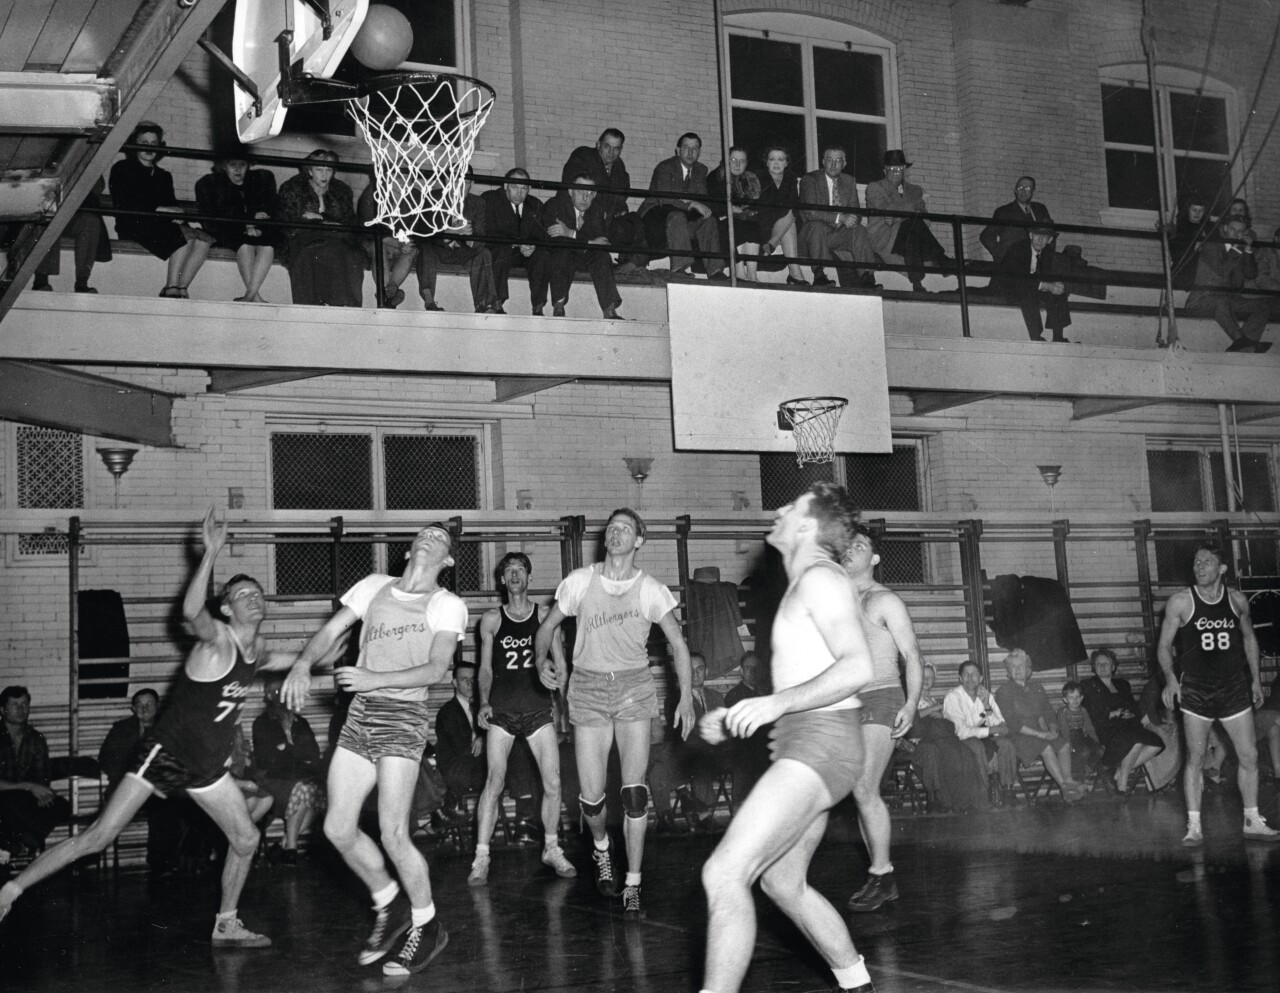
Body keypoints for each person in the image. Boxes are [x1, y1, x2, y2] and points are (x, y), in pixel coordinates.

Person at [0, 510, 287, 945]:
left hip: (207, 768)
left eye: (257, 593)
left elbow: (295, 660)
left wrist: (323, 653)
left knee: (245, 837)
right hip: (168, 754)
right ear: (227, 608)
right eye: (242, 594)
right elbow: (191, 611)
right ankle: (11, 889)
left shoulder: (257, 650)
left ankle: (226, 923)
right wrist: (210, 554)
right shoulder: (217, 639)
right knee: (99, 837)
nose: (253, 598)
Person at [698, 482, 877, 993]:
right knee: (782, 882)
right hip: (811, 743)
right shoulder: (807, 583)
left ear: (809, 526)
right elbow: (808, 675)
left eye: (792, 506)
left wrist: (776, 704)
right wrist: (744, 715)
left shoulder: (820, 579)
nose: (779, 510)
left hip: (821, 747)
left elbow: (858, 666)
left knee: (723, 874)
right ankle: (858, 984)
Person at [282, 523, 467, 976]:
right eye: (423, 533)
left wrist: (373, 679)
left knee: (394, 834)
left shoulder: (446, 604)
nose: (429, 537)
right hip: (360, 715)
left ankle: (427, 925)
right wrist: (303, 664)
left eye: (440, 538)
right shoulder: (373, 587)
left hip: (402, 716)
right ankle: (389, 900)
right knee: (337, 827)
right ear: (408, 549)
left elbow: (437, 669)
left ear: (447, 560)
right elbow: (330, 632)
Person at [533, 508, 694, 920]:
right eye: (611, 528)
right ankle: (602, 848)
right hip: (587, 688)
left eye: (625, 529)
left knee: (634, 793)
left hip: (633, 688)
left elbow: (678, 645)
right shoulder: (579, 581)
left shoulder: (651, 589)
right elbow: (546, 629)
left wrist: (686, 696)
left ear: (639, 540)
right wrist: (540, 661)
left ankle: (633, 883)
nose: (616, 533)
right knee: (591, 802)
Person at [1157, 543, 1280, 844]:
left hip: (1233, 687)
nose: (1199, 567)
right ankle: (1194, 825)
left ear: (1222, 568)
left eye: (1207, 562)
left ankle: (1252, 819)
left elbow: (1250, 639)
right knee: (1196, 757)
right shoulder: (1180, 601)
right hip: (1196, 689)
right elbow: (1163, 646)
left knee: (1249, 754)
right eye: (1196, 562)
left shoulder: (1237, 600)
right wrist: (1170, 679)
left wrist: (1255, 679)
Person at [469, 552, 575, 884]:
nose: (515, 575)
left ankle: (551, 848)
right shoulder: (491, 619)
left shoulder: (544, 616)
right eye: (509, 570)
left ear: (529, 578)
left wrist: (565, 710)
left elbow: (561, 666)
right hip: (501, 711)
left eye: (520, 570)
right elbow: (485, 669)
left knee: (553, 782)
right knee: (494, 782)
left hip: (537, 710)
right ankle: (481, 857)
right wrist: (484, 702)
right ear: (502, 580)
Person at [842, 525, 923, 912]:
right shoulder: (837, 600)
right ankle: (880, 876)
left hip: (883, 696)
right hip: (847, 701)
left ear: (874, 558)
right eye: (847, 545)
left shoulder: (885, 600)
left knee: (863, 787)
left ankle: (882, 874)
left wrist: (911, 704)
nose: (850, 550)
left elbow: (913, 655)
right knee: (860, 793)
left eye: (859, 545)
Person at [109, 121, 212, 298]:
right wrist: (161, 209)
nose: (149, 147)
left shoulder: (164, 175)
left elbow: (171, 204)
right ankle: (171, 286)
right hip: (134, 223)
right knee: (185, 235)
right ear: (134, 145)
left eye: (154, 143)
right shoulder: (122, 168)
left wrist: (179, 217)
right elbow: (125, 203)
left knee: (204, 239)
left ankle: (182, 287)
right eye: (144, 143)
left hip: (160, 224)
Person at [648, 652, 725, 833]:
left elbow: (724, 730)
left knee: (662, 753)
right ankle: (666, 816)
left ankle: (698, 809)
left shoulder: (717, 697)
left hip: (712, 754)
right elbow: (681, 732)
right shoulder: (674, 700)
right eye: (690, 670)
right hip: (688, 755)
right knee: (657, 769)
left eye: (700, 669)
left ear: (706, 672)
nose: (695, 674)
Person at [277, 149, 364, 307]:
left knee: (351, 255)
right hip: (302, 239)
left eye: (328, 170)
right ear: (310, 171)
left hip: (336, 239)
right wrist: (325, 225)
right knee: (317, 252)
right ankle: (315, 306)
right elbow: (289, 224)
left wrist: (321, 219)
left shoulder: (342, 191)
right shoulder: (292, 188)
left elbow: (349, 223)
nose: (324, 175)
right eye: (319, 170)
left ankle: (347, 306)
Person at [194, 144, 281, 302]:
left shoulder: (260, 180)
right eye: (232, 165)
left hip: (257, 231)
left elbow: (271, 211)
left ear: (248, 165)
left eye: (242, 165)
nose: (238, 169)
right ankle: (256, 298)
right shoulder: (210, 183)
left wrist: (257, 226)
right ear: (223, 166)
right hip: (227, 231)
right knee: (245, 244)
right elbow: (211, 221)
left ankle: (250, 296)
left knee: (268, 245)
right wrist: (247, 223)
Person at [252, 680, 324, 865]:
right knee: (304, 789)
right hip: (271, 781)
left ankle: (286, 845)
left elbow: (314, 755)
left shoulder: (301, 722)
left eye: (284, 692)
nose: (281, 698)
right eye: (276, 692)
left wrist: (288, 742)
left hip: (299, 778)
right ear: (268, 695)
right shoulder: (262, 723)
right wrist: (294, 751)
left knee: (321, 792)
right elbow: (267, 760)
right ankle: (291, 848)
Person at [994, 649, 1081, 801]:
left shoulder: (1037, 688)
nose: (1017, 669)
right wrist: (1040, 734)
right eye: (1013, 667)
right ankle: (1064, 787)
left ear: (1028, 669)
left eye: (1021, 666)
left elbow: (1048, 712)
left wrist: (1053, 729)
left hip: (1040, 732)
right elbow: (1013, 723)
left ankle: (1068, 780)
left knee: (1064, 745)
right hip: (1018, 735)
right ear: (1008, 671)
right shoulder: (1003, 691)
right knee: (1046, 747)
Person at [639, 132, 726, 281]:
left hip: (682, 220)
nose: (690, 152)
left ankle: (715, 270)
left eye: (695, 149)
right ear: (678, 150)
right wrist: (692, 203)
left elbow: (702, 200)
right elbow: (665, 199)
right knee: (677, 215)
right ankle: (679, 268)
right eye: (686, 148)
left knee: (708, 220)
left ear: (699, 152)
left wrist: (695, 204)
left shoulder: (701, 170)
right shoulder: (665, 167)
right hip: (656, 218)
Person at [562, 128, 650, 274]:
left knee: (634, 220)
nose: (611, 152)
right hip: (584, 215)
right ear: (598, 145)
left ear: (621, 149)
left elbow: (623, 191)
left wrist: (620, 210)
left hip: (608, 217)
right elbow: (574, 186)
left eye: (616, 148)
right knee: (596, 211)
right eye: (607, 146)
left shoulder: (619, 165)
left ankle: (632, 262)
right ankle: (600, 262)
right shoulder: (583, 155)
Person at [864, 149, 950, 293]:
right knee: (913, 222)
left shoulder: (915, 190)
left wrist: (901, 215)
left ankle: (917, 282)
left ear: (904, 169)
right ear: (884, 170)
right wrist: (911, 210)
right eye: (891, 168)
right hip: (885, 238)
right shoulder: (875, 187)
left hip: (911, 237)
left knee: (913, 224)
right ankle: (942, 259)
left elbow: (923, 214)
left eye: (899, 168)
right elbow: (886, 208)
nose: (895, 172)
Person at [1183, 214, 1273, 353]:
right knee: (1222, 301)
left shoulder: (1240, 250)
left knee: (1264, 304)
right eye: (1233, 229)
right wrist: (1236, 249)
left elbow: (1251, 274)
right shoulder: (1211, 245)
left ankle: (1244, 344)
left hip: (1229, 300)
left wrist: (1248, 250)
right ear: (1225, 228)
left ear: (1246, 233)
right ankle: (1242, 342)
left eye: (1241, 231)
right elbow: (1222, 270)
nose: (1236, 234)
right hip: (1202, 300)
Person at [1081, 648, 1164, 795]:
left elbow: (1134, 708)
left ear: (1113, 666)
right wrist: (1113, 713)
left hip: (1128, 726)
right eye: (1098, 664)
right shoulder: (1088, 685)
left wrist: (1130, 713)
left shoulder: (1123, 684)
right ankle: (1122, 784)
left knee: (1157, 744)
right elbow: (1091, 713)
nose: (1102, 666)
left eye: (1106, 663)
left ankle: (1119, 771)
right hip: (1106, 730)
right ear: (1094, 667)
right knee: (1136, 741)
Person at [0, 687, 71, 858]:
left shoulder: (36, 738)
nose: (21, 709)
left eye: (25, 704)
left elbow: (42, 777)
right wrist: (30, 787)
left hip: (24, 798)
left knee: (62, 805)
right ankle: (16, 843)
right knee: (8, 805)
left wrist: (42, 794)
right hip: (3, 797)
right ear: (2, 710)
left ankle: (25, 840)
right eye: (14, 705)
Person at [541, 176, 626, 318]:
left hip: (585, 256)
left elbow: (601, 240)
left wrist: (571, 233)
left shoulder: (597, 209)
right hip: (563, 254)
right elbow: (556, 237)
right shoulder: (556, 204)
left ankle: (609, 309)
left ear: (595, 195)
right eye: (580, 191)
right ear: (571, 191)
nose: (585, 198)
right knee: (562, 251)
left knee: (602, 256)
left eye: (590, 193)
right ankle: (558, 306)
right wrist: (585, 239)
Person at [415, 177, 499, 313]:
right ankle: (429, 300)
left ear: (472, 184)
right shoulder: (433, 197)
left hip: (463, 251)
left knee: (484, 253)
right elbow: (423, 232)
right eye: (455, 182)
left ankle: (483, 305)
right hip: (438, 249)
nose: (460, 187)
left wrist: (469, 236)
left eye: (465, 183)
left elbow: (481, 236)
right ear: (448, 182)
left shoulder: (477, 202)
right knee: (426, 248)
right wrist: (450, 232)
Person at [798, 145, 877, 288]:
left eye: (838, 160)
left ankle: (867, 278)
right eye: (830, 160)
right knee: (816, 225)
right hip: (812, 236)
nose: (833, 164)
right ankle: (819, 275)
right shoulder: (810, 179)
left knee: (859, 230)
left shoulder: (849, 181)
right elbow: (811, 212)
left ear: (844, 163)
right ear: (823, 162)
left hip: (836, 235)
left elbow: (856, 211)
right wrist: (840, 218)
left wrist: (853, 219)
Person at [942, 659, 1018, 805]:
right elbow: (961, 732)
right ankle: (983, 794)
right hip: (959, 741)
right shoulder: (953, 697)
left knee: (1006, 744)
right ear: (960, 678)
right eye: (966, 674)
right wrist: (992, 729)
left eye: (974, 674)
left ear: (981, 678)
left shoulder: (985, 695)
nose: (970, 678)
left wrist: (987, 706)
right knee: (976, 746)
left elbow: (1002, 725)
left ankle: (1008, 790)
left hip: (984, 736)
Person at [481, 167, 549, 314]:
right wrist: (517, 244)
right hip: (500, 251)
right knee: (501, 249)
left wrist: (532, 245)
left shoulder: (535, 204)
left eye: (524, 188)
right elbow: (489, 233)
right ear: (505, 185)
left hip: (525, 254)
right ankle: (496, 302)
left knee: (542, 255)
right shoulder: (491, 199)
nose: (519, 193)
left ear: (529, 189)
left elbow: (542, 235)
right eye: (514, 187)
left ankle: (538, 306)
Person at [987, 225, 1072, 342]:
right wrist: (1047, 286)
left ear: (1049, 240)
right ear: (1031, 235)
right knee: (1028, 294)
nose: (1040, 240)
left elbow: (1046, 275)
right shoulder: (1018, 249)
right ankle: (1036, 337)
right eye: (1037, 235)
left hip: (1030, 285)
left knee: (1057, 292)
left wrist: (1056, 286)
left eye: (1044, 237)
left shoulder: (1047, 252)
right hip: (1008, 287)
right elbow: (1019, 280)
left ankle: (1058, 337)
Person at [31, 177, 111, 294]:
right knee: (48, 216)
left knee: (90, 221)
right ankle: (41, 280)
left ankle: (82, 282)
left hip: (74, 212)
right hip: (49, 205)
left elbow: (98, 187)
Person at [356, 182, 417, 309]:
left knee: (411, 251)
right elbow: (369, 229)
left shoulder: (414, 196)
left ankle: (389, 291)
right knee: (378, 247)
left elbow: (416, 228)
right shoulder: (372, 193)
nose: (404, 179)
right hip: (373, 240)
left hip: (396, 243)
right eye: (400, 176)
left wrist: (407, 243)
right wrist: (398, 244)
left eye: (408, 176)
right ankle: (387, 296)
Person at [755, 144, 808, 285]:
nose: (776, 163)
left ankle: (773, 242)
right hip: (765, 221)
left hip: (786, 220)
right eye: (772, 159)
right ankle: (795, 273)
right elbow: (761, 204)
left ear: (786, 163)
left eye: (781, 159)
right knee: (789, 218)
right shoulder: (759, 176)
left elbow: (794, 202)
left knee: (791, 212)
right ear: (766, 162)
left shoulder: (791, 177)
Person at [707, 147, 762, 280]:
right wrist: (730, 208)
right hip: (722, 218)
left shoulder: (750, 180)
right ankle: (739, 274)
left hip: (743, 218)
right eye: (733, 160)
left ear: (746, 164)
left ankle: (752, 275)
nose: (737, 164)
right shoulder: (715, 177)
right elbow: (713, 204)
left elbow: (754, 204)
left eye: (741, 161)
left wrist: (745, 211)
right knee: (735, 226)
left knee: (753, 226)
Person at [979, 176, 1054, 265]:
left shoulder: (1040, 209)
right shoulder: (1004, 212)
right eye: (1020, 188)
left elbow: (1051, 234)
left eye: (1027, 188)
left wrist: (1047, 259)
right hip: (1014, 264)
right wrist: (1003, 257)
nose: (1023, 191)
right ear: (1015, 190)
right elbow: (986, 236)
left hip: (1037, 264)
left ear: (1033, 191)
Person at [1055, 681, 1102, 783]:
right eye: (1071, 697)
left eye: (1077, 697)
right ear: (1065, 699)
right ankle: (1076, 776)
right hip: (1069, 737)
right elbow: (1064, 731)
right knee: (1084, 752)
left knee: (1100, 750)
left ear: (1082, 698)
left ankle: (1087, 770)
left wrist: (1096, 741)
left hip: (1081, 736)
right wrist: (1069, 745)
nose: (1075, 700)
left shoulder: (1083, 710)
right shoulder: (1063, 712)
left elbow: (1089, 727)